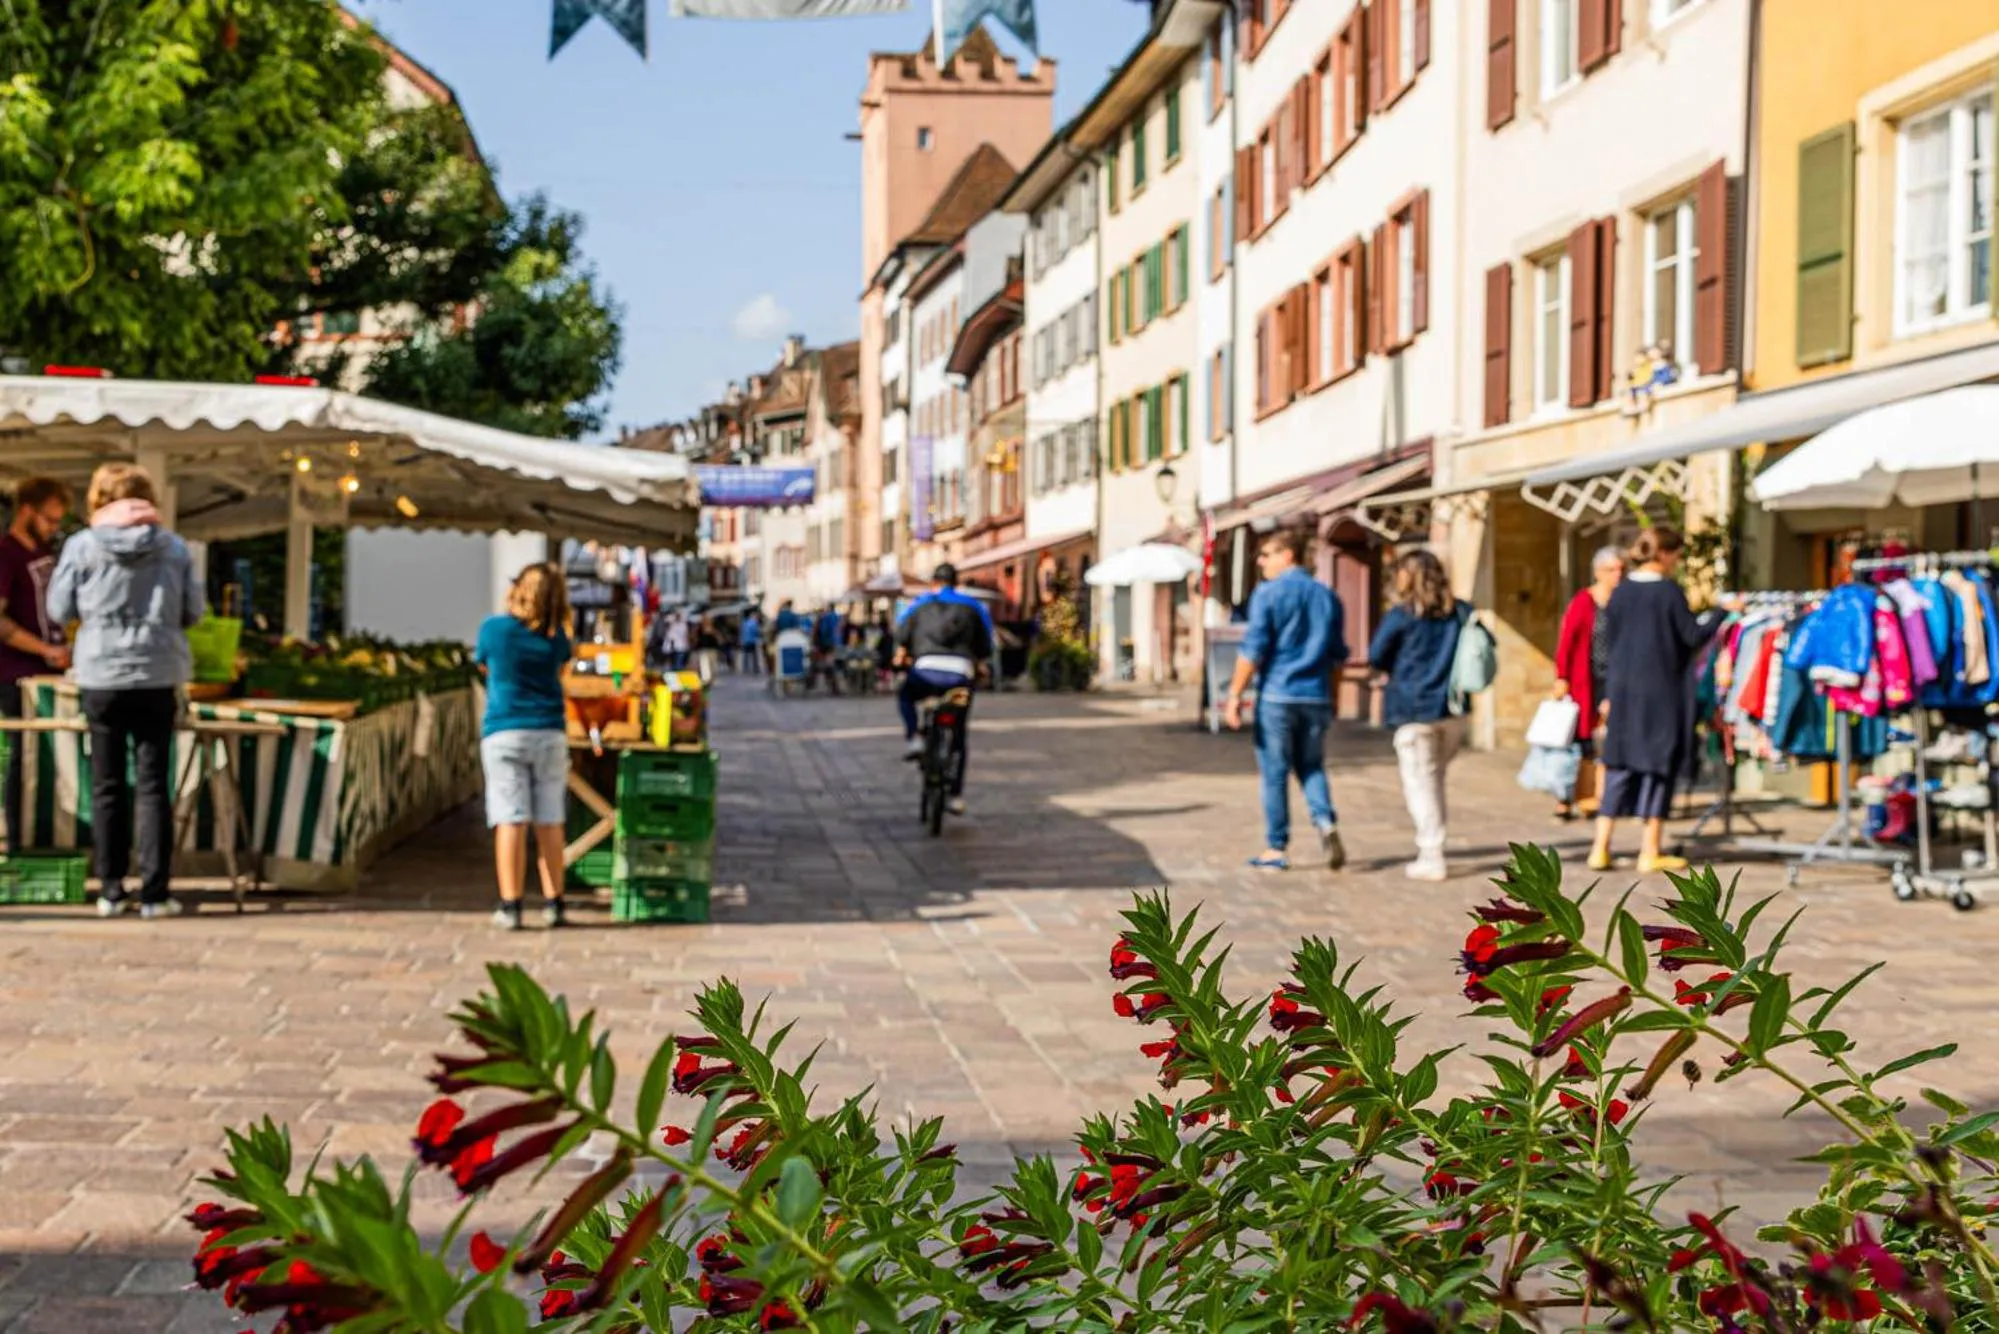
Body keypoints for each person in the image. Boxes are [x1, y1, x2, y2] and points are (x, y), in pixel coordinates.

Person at [48, 464, 204, 919]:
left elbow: (58, 608)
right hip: (158, 672)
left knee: (107, 784)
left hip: (101, 673)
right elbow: (194, 611)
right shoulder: (174, 548)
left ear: (98, 498)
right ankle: (155, 894)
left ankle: (111, 890)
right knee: (155, 785)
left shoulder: (81, 546)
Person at [1588, 526, 1730, 875]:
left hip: (1623, 691)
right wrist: (1720, 612)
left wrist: (1605, 690)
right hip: (1661, 692)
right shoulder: (1668, 592)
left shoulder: (1620, 593)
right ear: (1665, 554)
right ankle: (1649, 849)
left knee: (1619, 764)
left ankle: (1600, 847)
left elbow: (1603, 644)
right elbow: (1692, 635)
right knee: (1657, 765)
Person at [1221, 527, 1348, 872]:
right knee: (1311, 765)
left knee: (1275, 771)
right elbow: (1338, 656)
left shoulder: (1268, 594)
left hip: (1278, 695)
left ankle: (1276, 847)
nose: (1260, 561)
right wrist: (1333, 698)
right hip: (1316, 695)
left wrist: (1234, 695)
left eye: (1267, 554)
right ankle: (1326, 822)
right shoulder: (1327, 596)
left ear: (1287, 555)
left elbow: (1253, 649)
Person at [473, 563, 575, 931]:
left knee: (510, 818)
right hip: (548, 729)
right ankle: (555, 902)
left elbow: (484, 668)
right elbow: (561, 669)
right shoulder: (556, 637)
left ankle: (511, 904)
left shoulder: (493, 630)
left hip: (504, 730)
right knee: (550, 820)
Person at [1366, 550, 1469, 883]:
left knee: (1421, 782)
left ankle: (1431, 853)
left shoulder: (1402, 615)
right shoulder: (1461, 612)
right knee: (1435, 778)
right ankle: (1432, 845)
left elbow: (1376, 655)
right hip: (1453, 708)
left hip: (1414, 709)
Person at [0, 477, 73, 852]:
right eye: (49, 519)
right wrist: (44, 648)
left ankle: (40, 836)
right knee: (21, 760)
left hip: (49, 673)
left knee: (45, 760)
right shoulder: (6, 553)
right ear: (26, 511)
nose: (54, 528)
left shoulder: (44, 553)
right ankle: (16, 840)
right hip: (15, 676)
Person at [894, 564, 994, 815]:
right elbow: (986, 645)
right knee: (959, 733)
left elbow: (901, 633)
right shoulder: (974, 607)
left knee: (905, 695)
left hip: (925, 670)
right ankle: (955, 796)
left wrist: (903, 654)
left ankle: (914, 737)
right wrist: (980, 664)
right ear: (956, 583)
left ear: (934, 583)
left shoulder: (919, 604)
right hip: (960, 674)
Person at [1551, 547, 1626, 820]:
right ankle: (1566, 798)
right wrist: (1562, 676)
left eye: (1621, 569)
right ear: (1598, 573)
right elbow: (1567, 641)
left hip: (1613, 679)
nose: (1617, 575)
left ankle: (1597, 796)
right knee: (1576, 739)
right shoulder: (1583, 601)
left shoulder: (1623, 601)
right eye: (1611, 569)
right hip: (1584, 679)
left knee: (1605, 740)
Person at [739, 609, 764, 676]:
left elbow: (741, 632)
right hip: (752, 641)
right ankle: (755, 669)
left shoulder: (744, 622)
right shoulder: (753, 623)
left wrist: (741, 640)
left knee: (746, 656)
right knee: (754, 656)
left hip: (745, 641)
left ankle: (745, 669)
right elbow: (757, 632)